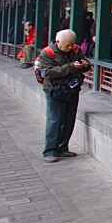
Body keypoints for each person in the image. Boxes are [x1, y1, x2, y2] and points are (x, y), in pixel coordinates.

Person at [38, 30, 91, 163]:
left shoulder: (75, 49)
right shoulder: (47, 53)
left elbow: (84, 64)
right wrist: (72, 66)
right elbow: (49, 73)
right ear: (57, 42)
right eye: (67, 45)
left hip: (72, 90)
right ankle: (50, 150)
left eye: (72, 44)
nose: (70, 48)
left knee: (69, 120)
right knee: (55, 120)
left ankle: (63, 147)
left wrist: (85, 65)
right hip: (55, 90)